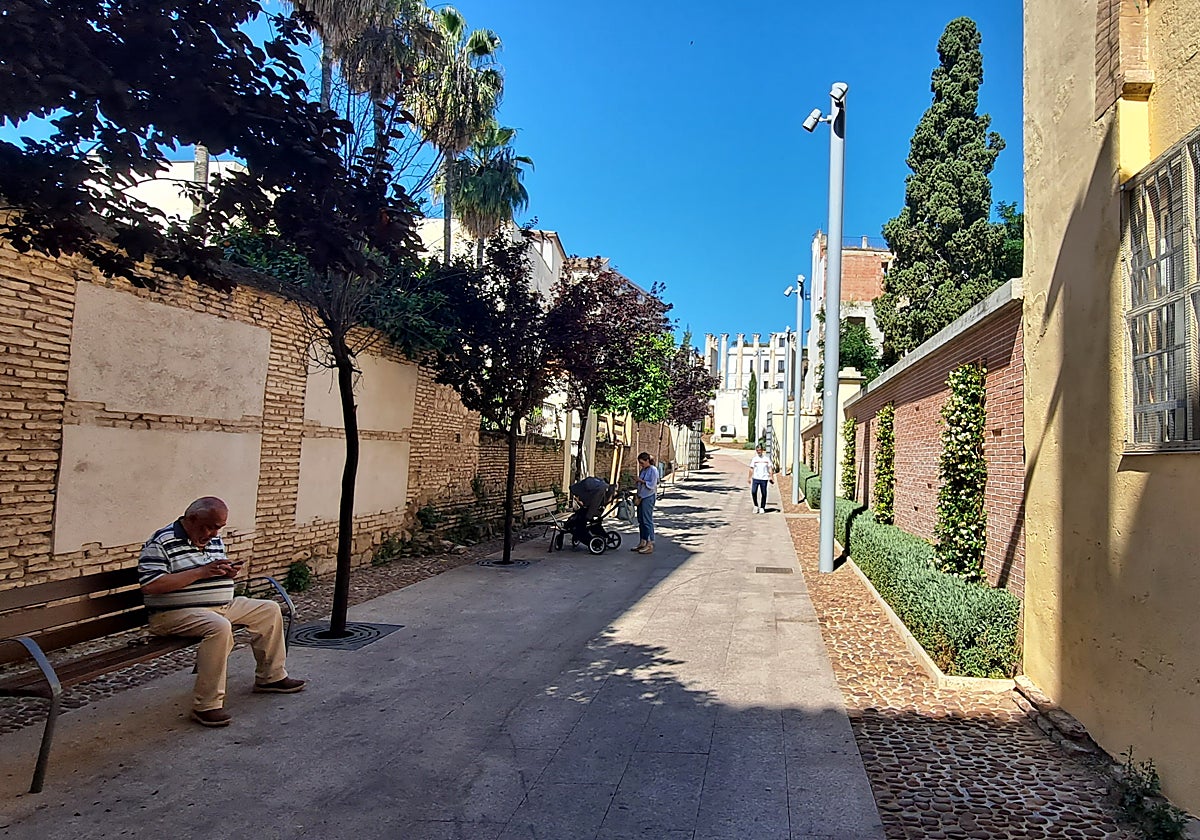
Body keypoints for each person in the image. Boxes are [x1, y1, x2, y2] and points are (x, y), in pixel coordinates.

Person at [139, 496, 306, 728]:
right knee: (218, 627)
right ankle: (206, 705)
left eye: (220, 528)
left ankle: (271, 677)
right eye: (211, 527)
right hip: (174, 613)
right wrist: (201, 573)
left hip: (220, 606)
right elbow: (152, 585)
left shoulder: (213, 540)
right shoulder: (162, 541)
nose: (215, 534)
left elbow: (210, 570)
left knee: (268, 609)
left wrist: (226, 572)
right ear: (192, 519)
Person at [632, 452, 659, 554]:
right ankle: (642, 541)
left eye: (642, 463)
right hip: (641, 496)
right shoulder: (643, 470)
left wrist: (641, 481)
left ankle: (650, 543)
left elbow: (652, 484)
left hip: (648, 497)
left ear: (647, 461)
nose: (641, 465)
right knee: (641, 520)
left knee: (647, 520)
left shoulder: (653, 470)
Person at [748, 444, 775, 513]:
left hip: (764, 478)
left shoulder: (766, 459)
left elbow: (770, 468)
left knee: (764, 493)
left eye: (759, 450)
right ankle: (756, 506)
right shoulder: (755, 459)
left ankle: (762, 507)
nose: (758, 452)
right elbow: (751, 468)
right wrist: (749, 478)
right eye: (757, 450)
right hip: (756, 478)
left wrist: (771, 477)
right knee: (753, 492)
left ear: (762, 450)